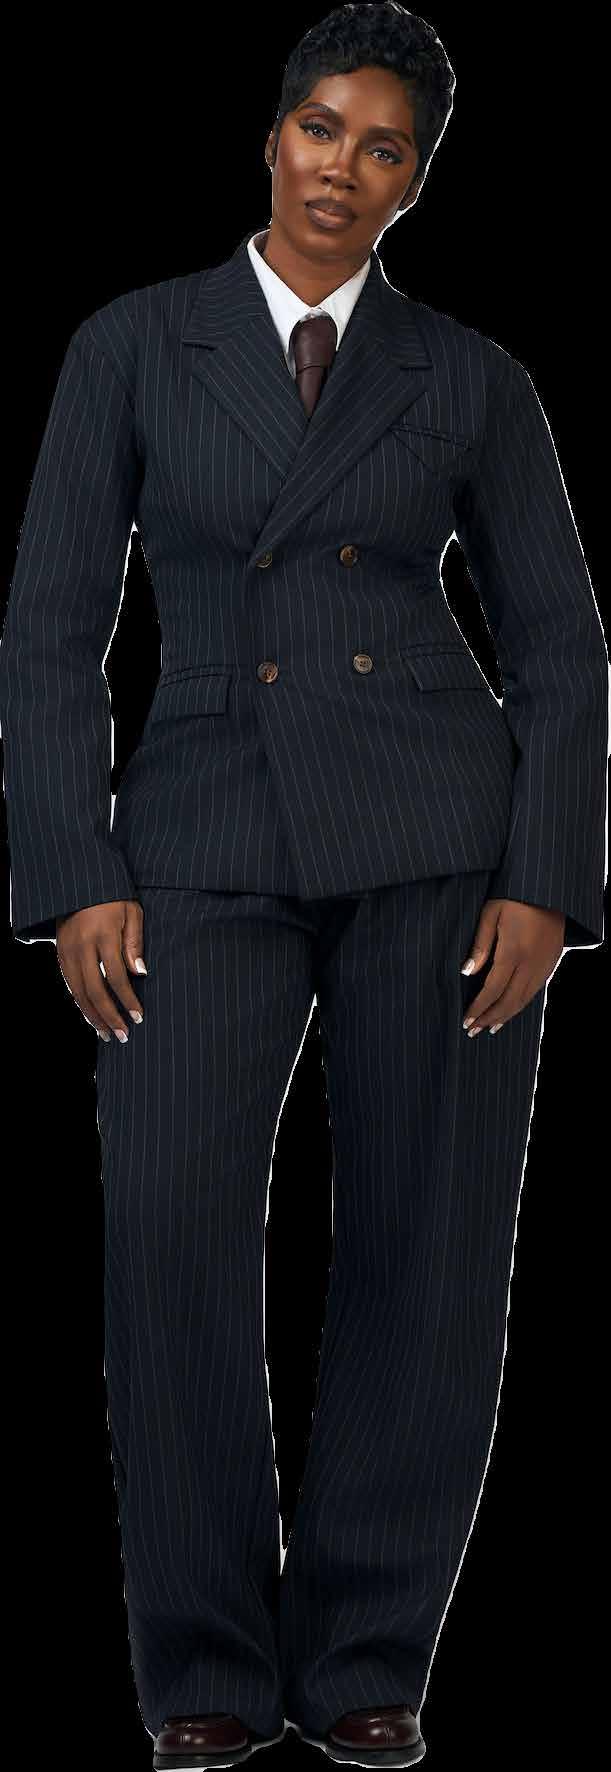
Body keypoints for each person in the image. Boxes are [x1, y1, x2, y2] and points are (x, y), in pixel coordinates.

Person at [0, 5, 608, 1768]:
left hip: (436, 841)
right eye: (324, 129)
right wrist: (75, 870)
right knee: (170, 1230)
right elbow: (50, 629)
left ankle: (362, 1653)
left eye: (386, 148)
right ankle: (202, 1659)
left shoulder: (470, 377)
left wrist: (547, 879)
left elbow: (561, 644)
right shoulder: (135, 344)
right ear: (273, 136)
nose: (345, 168)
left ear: (415, 184)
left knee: (430, 1241)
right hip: (199, 836)